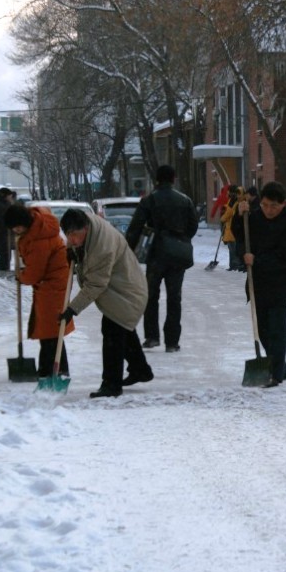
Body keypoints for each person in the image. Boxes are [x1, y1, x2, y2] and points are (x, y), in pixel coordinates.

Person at [59, 208, 153, 398]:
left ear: (85, 228)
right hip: (121, 287)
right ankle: (140, 369)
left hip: (127, 291)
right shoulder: (88, 228)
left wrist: (72, 310)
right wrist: (74, 252)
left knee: (112, 332)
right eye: (68, 235)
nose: (72, 240)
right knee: (122, 327)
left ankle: (111, 384)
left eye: (75, 235)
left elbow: (95, 284)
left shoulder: (101, 246)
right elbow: (83, 254)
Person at [231, 181, 286, 386]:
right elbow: (242, 235)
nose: (269, 210)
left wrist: (258, 260)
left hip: (281, 284)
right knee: (262, 329)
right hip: (259, 281)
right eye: (265, 205)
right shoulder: (256, 217)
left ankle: (276, 375)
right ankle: (280, 367)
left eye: (274, 206)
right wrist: (239, 215)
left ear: (284, 204)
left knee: (277, 331)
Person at [126, 164, 199, 353]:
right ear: (173, 179)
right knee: (175, 297)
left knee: (151, 295)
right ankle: (172, 341)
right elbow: (193, 226)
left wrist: (128, 250)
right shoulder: (185, 201)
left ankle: (152, 337)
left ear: (157, 180)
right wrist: (181, 239)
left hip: (156, 253)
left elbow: (135, 228)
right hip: (177, 255)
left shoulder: (149, 200)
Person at [4, 204, 75, 379]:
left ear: (23, 222)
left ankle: (49, 370)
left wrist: (22, 277)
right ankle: (57, 368)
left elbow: (35, 272)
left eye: (16, 227)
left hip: (52, 284)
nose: (15, 230)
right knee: (52, 328)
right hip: (51, 283)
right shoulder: (37, 228)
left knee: (50, 329)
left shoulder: (38, 240)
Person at [219, 185, 245, 271]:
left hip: (232, 228)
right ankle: (233, 265)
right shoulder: (234, 200)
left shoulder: (235, 201)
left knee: (233, 248)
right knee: (231, 247)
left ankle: (235, 264)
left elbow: (229, 213)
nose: (227, 193)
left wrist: (223, 219)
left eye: (229, 191)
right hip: (230, 227)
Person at [0, 187, 15, 275]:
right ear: (5, 196)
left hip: (5, 234)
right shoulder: (0, 205)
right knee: (5, 255)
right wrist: (7, 225)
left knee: (6, 255)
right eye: (9, 195)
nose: (11, 197)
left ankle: (4, 271)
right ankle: (2, 272)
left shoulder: (6, 204)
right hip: (2, 235)